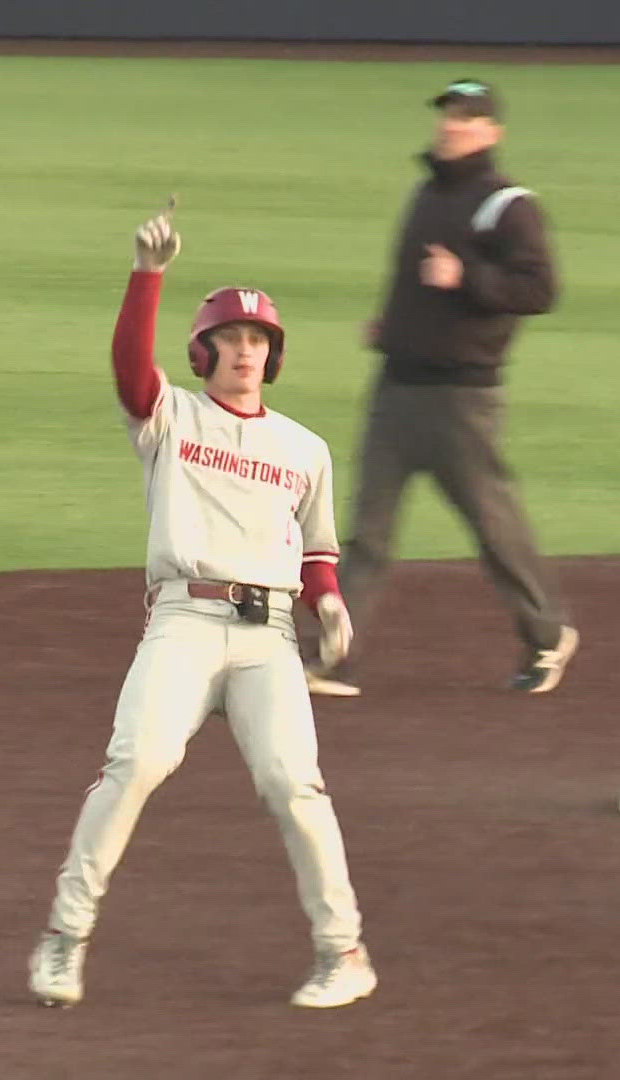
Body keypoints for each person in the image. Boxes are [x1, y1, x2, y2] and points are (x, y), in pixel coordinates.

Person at [27, 199, 375, 1010]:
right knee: (138, 763)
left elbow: (318, 550)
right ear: (204, 350)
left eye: (259, 340)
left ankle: (344, 952)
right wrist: (147, 276)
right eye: (232, 338)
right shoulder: (171, 418)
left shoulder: (305, 448)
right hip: (184, 621)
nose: (246, 351)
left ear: (273, 355)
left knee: (295, 784)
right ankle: (63, 939)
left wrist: (327, 603)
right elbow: (127, 371)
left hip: (269, 638)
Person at [306, 77, 578, 700]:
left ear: (492, 132)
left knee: (492, 527)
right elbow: (413, 284)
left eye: (468, 116)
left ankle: (547, 634)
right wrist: (392, 327)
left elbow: (539, 290)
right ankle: (331, 655)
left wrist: (466, 276)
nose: (453, 124)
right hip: (396, 387)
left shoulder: (508, 205)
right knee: (367, 533)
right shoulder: (426, 193)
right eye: (449, 113)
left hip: (461, 400)